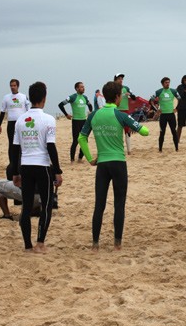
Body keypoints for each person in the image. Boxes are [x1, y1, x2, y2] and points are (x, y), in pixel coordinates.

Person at [78, 81, 150, 251]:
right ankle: (117, 244)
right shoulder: (120, 115)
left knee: (99, 205)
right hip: (118, 164)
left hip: (102, 165)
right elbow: (144, 132)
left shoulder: (94, 115)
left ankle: (95, 244)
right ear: (117, 97)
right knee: (119, 204)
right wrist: (134, 123)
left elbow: (82, 138)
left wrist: (90, 158)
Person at [11, 81, 63, 254]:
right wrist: (57, 171)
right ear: (44, 98)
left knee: (26, 206)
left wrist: (15, 172)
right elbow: (51, 147)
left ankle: (27, 245)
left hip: (25, 166)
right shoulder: (48, 119)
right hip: (42, 166)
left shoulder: (20, 120)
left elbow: (15, 149)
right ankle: (40, 243)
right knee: (46, 205)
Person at [58, 81, 94, 162]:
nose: (83, 88)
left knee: (84, 140)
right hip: (76, 121)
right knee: (75, 141)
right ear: (77, 88)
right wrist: (66, 115)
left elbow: (90, 105)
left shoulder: (85, 97)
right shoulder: (73, 97)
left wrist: (90, 112)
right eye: (81, 87)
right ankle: (72, 160)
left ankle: (80, 158)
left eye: (83, 87)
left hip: (84, 121)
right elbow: (60, 104)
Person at [0, 79, 30, 164]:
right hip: (11, 123)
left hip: (21, 123)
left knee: (22, 143)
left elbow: (28, 110)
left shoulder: (24, 97)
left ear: (18, 86)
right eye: (11, 86)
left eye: (14, 85)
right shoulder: (6, 97)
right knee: (11, 143)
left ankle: (22, 162)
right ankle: (12, 163)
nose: (12, 87)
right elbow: (2, 111)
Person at [153, 77, 181, 152]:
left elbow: (180, 99)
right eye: (166, 82)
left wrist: (177, 108)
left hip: (171, 115)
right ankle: (160, 149)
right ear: (162, 84)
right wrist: (157, 110)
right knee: (162, 132)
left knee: (174, 132)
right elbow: (151, 101)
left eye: (168, 82)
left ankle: (177, 149)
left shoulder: (173, 91)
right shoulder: (158, 92)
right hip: (163, 115)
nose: (167, 84)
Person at [114, 73, 138, 154]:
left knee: (127, 130)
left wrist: (130, 94)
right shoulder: (113, 88)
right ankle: (118, 149)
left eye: (122, 79)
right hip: (116, 110)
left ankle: (129, 150)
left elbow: (134, 97)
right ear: (115, 80)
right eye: (119, 79)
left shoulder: (126, 88)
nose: (121, 80)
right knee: (117, 131)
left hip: (125, 111)